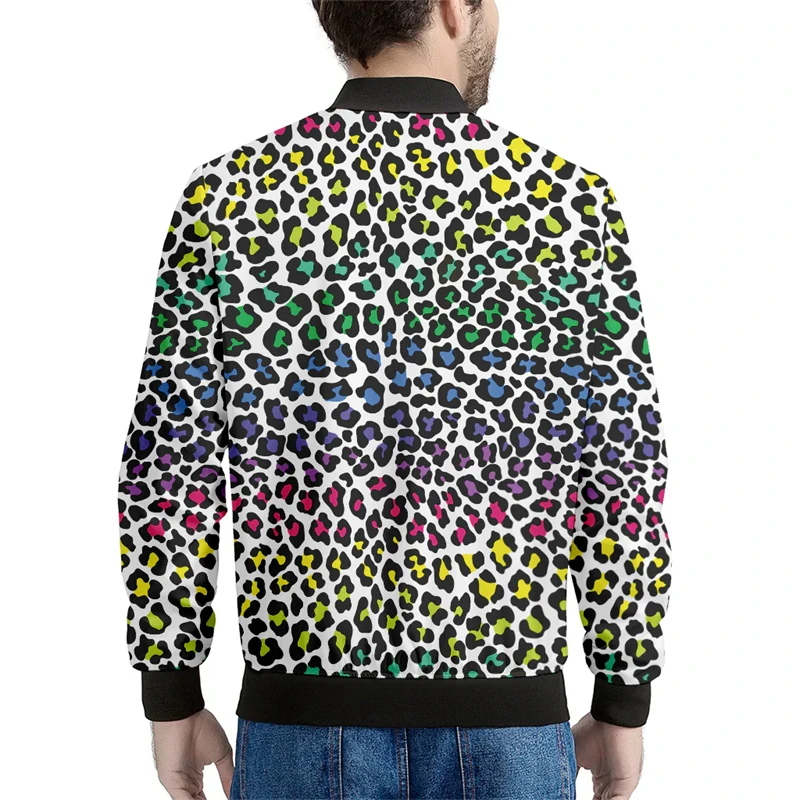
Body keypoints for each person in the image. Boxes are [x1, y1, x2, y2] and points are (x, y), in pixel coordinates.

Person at [117, 1, 672, 798]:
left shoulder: (228, 199)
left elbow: (168, 471)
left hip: (297, 717)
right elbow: (621, 470)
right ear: (452, 9)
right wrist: (622, 696)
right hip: (509, 719)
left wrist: (171, 693)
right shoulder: (569, 205)